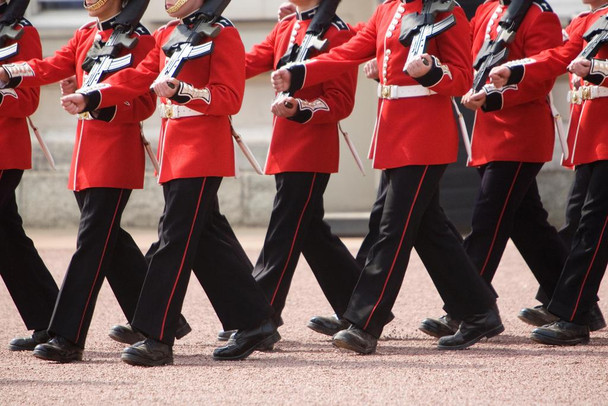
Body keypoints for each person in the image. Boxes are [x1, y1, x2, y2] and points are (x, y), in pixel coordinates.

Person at [271, 0, 503, 353]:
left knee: (392, 230)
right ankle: (478, 310)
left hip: (425, 136)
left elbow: (463, 77)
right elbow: (348, 52)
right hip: (394, 134)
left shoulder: (447, 11)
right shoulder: (387, 10)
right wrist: (300, 73)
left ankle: (365, 322)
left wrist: (431, 71)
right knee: (428, 229)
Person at [61, 0, 279, 365]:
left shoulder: (223, 32)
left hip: (203, 150)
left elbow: (230, 97)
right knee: (205, 238)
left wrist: (185, 92)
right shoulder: (166, 34)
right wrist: (93, 95)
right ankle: (255, 320)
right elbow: (137, 78)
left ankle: (157, 336)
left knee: (174, 240)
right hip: (175, 150)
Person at [0, 0, 194, 363]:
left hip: (116, 155)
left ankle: (67, 336)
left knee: (90, 243)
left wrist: (98, 103)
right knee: (110, 241)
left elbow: (143, 104)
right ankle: (160, 317)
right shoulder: (85, 35)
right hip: (85, 158)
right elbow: (50, 66)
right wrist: (11, 72)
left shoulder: (140, 39)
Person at [418, 0, 581, 339]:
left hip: (521, 134)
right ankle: (576, 303)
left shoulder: (540, 15)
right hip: (490, 133)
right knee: (528, 224)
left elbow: (540, 78)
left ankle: (467, 308)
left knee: (487, 220)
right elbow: (466, 51)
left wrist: (494, 97)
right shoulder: (489, 10)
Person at [230, 0, 362, 341]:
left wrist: (301, 107)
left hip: (311, 147)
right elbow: (245, 63)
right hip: (285, 146)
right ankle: (358, 303)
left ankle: (258, 315)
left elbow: (341, 101)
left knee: (284, 231)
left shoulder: (337, 32)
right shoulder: (287, 27)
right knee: (310, 232)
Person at [490, 0, 608, 345]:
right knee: (577, 224)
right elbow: (557, 56)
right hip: (591, 134)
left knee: (591, 228)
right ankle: (570, 305)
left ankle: (573, 317)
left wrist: (598, 69)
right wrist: (517, 69)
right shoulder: (584, 21)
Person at [0, 0, 59, 352]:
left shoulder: (23, 33)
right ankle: (53, 319)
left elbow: (27, 99)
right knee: (8, 237)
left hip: (4, 149)